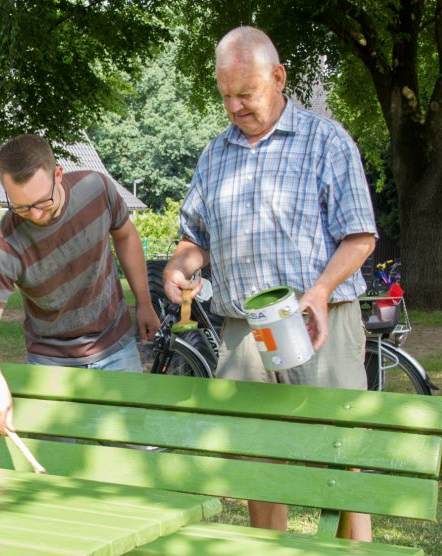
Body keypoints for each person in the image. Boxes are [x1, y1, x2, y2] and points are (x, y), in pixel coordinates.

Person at [162, 27, 378, 541]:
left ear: (277, 77)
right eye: (226, 96)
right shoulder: (215, 155)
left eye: (246, 93)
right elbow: (194, 238)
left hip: (319, 323)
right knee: (257, 459)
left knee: (340, 454)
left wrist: (321, 289)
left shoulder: (326, 141)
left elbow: (360, 236)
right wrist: (179, 266)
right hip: (244, 331)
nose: (235, 106)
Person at [0, 134, 161, 434]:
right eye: (21, 207)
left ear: (58, 173)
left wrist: (144, 303)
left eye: (43, 201)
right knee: (56, 462)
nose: (36, 215)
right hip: (50, 361)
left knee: (132, 453)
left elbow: (125, 235)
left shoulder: (97, 189)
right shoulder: (6, 245)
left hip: (115, 345)